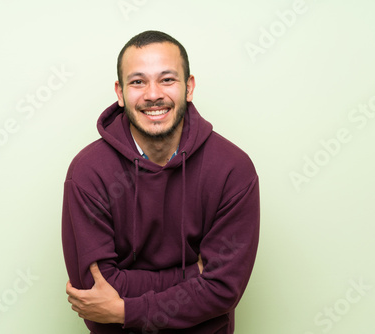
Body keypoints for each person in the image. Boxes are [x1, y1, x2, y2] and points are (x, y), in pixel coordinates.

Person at [62, 30, 260, 333]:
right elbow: (94, 289)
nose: (153, 94)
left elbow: (222, 290)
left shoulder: (233, 170)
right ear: (119, 92)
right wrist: (195, 275)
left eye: (167, 79)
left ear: (189, 87)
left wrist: (126, 310)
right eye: (138, 81)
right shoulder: (89, 173)